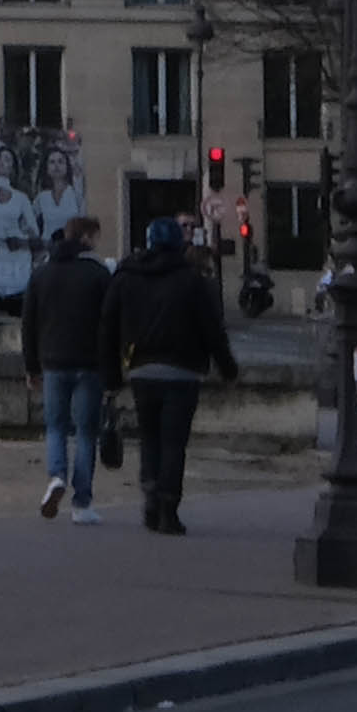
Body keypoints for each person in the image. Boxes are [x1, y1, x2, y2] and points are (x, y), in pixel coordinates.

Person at [111, 211, 239, 534]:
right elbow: (212, 329)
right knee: (173, 442)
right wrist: (227, 368)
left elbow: (107, 324)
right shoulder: (192, 280)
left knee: (149, 437)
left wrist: (111, 372)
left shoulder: (128, 276)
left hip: (142, 369)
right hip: (183, 371)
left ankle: (150, 498)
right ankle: (169, 506)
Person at [21, 214, 116, 514]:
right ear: (86, 238)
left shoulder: (42, 274)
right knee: (87, 432)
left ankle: (56, 475)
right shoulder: (99, 275)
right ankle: (82, 503)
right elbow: (111, 324)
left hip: (53, 361)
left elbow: (29, 324)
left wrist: (31, 366)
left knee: (56, 426)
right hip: (90, 362)